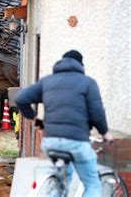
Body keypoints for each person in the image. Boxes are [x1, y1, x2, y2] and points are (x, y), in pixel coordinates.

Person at [15, 50, 112, 197]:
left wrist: (35, 119)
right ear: (81, 65)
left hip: (50, 142)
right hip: (76, 141)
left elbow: (21, 98)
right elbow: (97, 113)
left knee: (63, 182)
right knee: (92, 184)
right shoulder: (87, 83)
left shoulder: (47, 81)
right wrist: (105, 133)